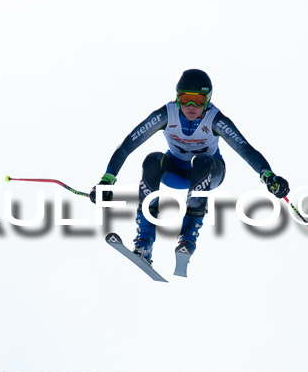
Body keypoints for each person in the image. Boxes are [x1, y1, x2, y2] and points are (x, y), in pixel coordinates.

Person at [89, 69, 289, 263]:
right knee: (152, 159)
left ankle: (188, 238)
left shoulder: (215, 119)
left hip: (210, 172)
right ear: (177, 98)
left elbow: (244, 149)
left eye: (199, 100)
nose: (191, 106)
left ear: (207, 100)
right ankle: (144, 242)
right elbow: (127, 145)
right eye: (185, 99)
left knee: (200, 162)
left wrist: (268, 176)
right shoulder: (166, 114)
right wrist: (107, 179)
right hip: (175, 171)